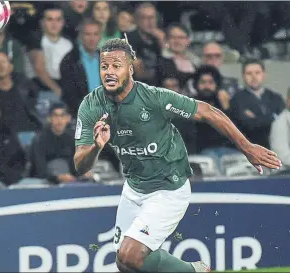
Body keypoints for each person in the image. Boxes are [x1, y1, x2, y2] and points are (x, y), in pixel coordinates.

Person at [73, 38, 281, 273]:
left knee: (131, 255)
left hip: (168, 189)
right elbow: (80, 165)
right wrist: (96, 147)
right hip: (133, 189)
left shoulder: (154, 99)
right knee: (124, 263)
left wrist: (247, 147)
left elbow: (208, 112)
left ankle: (194, 271)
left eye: (116, 66)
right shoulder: (91, 105)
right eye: (104, 67)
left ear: (130, 69)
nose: (109, 72)